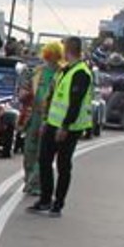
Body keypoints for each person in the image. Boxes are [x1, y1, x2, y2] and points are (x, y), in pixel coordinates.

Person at [30, 36, 93, 217]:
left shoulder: (81, 73)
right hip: (53, 123)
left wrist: (65, 127)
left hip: (69, 127)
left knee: (63, 164)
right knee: (44, 160)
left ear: (68, 50)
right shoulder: (65, 70)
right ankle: (45, 199)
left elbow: (75, 103)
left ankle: (58, 204)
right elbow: (54, 98)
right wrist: (46, 121)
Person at [19, 41, 63, 191]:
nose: (50, 58)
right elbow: (25, 91)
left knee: (43, 152)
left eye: (54, 55)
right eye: (49, 55)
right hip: (33, 115)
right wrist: (24, 95)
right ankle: (28, 178)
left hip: (50, 117)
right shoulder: (37, 72)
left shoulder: (61, 74)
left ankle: (36, 183)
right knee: (29, 150)